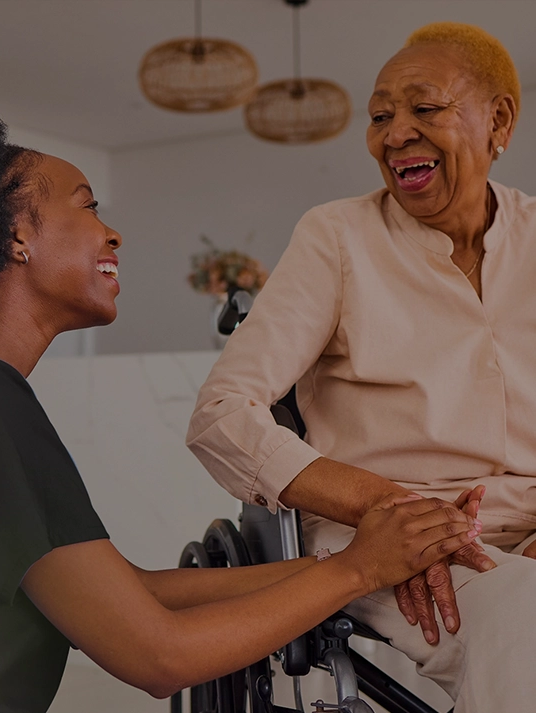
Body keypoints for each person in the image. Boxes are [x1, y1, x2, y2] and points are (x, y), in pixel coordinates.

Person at [0, 91, 479, 713]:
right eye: (88, 204)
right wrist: (361, 567)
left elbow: (131, 590)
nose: (113, 234)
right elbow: (156, 653)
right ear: (15, 231)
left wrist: (334, 568)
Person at [188, 22, 536, 711]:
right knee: (525, 614)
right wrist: (389, 509)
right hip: (387, 549)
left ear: (498, 120)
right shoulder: (337, 237)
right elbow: (222, 414)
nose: (394, 133)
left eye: (424, 108)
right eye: (380, 116)